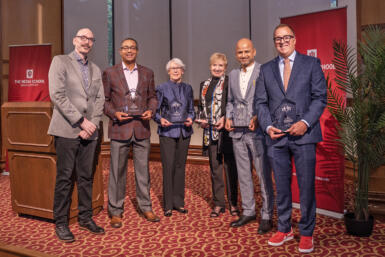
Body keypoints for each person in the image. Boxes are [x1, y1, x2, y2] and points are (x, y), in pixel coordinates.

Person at [255, 24, 327, 253]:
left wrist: (305, 123)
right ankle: (284, 228)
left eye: (286, 37)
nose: (282, 41)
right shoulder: (266, 69)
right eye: (278, 38)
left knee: (306, 187)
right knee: (282, 187)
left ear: (295, 40)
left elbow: (319, 98)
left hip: (304, 136)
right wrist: (266, 126)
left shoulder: (311, 64)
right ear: (274, 42)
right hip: (276, 138)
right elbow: (261, 102)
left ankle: (306, 232)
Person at [48, 28, 105, 243]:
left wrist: (93, 125)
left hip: (90, 131)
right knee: (64, 178)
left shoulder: (95, 69)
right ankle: (61, 223)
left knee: (86, 177)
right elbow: (57, 95)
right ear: (74, 40)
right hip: (66, 129)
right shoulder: (60, 61)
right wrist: (81, 121)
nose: (87, 42)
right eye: (83, 37)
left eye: (91, 39)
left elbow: (100, 100)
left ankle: (85, 217)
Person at [102, 37, 159, 227]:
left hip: (141, 128)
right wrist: (114, 113)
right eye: (125, 48)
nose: (129, 51)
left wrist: (151, 110)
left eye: (132, 48)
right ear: (120, 51)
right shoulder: (110, 73)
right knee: (117, 172)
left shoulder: (147, 72)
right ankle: (115, 211)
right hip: (120, 128)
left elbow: (152, 97)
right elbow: (104, 100)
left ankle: (146, 207)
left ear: (137, 50)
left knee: (143, 172)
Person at [225, 38, 274, 234]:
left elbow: (269, 101)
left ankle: (267, 214)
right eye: (239, 52)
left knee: (263, 175)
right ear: (236, 54)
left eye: (247, 51)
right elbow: (230, 101)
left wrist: (259, 118)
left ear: (254, 52)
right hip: (237, 131)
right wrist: (228, 117)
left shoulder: (265, 71)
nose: (243, 55)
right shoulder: (233, 74)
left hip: (257, 131)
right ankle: (248, 211)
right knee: (243, 174)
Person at [196, 53, 239, 217]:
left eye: (220, 65)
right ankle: (218, 204)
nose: (217, 68)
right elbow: (201, 106)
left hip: (226, 132)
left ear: (225, 67)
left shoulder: (230, 82)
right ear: (210, 66)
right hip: (210, 132)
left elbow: (234, 104)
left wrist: (226, 118)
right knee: (215, 169)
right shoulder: (204, 85)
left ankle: (233, 204)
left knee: (230, 169)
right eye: (214, 65)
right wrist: (200, 119)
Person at [154, 58, 195, 217]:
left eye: (178, 68)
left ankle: (179, 202)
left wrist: (192, 118)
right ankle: (168, 204)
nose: (176, 70)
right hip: (167, 133)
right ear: (168, 71)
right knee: (168, 167)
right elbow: (155, 111)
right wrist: (159, 120)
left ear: (183, 71)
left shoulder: (188, 88)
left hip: (184, 132)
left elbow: (191, 109)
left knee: (180, 167)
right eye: (172, 68)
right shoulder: (162, 88)